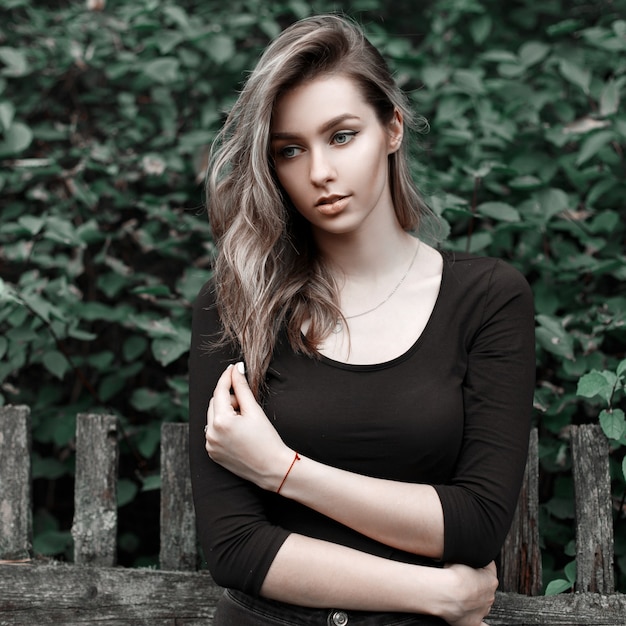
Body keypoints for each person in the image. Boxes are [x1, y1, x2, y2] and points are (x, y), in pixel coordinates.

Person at [189, 14, 535, 626]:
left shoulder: (487, 298)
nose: (319, 171)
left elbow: (475, 524)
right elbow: (235, 547)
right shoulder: (237, 302)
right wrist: (436, 594)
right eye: (290, 150)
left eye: (342, 136)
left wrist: (281, 470)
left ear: (392, 127)